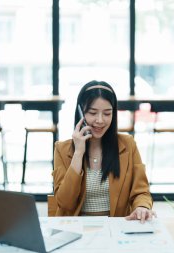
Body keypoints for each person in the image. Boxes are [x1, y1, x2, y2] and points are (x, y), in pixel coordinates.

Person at [52, 80, 156, 222]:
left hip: (116, 229)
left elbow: (141, 191)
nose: (100, 120)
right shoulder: (62, 149)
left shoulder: (128, 145)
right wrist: (78, 153)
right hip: (77, 229)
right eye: (93, 113)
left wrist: (142, 206)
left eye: (107, 113)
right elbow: (65, 203)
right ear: (80, 112)